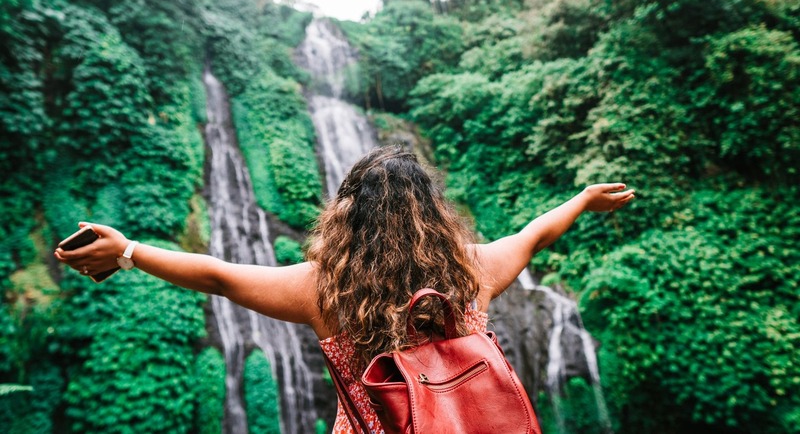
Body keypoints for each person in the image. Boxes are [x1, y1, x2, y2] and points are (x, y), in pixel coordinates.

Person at [54, 145, 635, 433]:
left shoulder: (325, 291)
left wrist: (128, 251)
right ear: (432, 213)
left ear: (347, 215)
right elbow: (534, 234)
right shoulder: (471, 272)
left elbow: (217, 275)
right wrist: (583, 199)